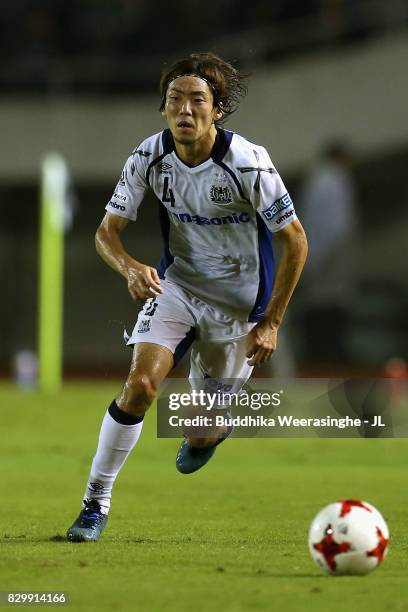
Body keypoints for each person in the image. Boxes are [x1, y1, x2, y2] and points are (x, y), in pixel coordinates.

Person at [67, 52, 308, 542]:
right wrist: (130, 267)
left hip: (240, 309)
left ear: (217, 110)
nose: (185, 108)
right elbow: (105, 232)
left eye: (198, 99)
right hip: (179, 289)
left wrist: (272, 322)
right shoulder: (148, 157)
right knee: (140, 386)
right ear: (163, 109)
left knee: (198, 431)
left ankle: (212, 430)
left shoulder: (248, 163)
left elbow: (295, 239)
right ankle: (95, 501)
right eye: (175, 98)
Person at [299, 142, 356, 365]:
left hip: (322, 254)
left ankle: (321, 356)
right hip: (328, 255)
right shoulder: (331, 181)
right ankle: (326, 359)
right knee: (326, 306)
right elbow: (335, 227)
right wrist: (315, 261)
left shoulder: (319, 179)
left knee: (322, 303)